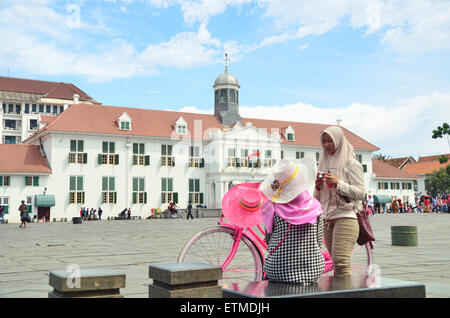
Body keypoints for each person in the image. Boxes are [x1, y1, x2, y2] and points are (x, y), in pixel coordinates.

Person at [258, 159, 325, 284]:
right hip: (312, 270)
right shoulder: (315, 208)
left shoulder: (272, 208)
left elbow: (268, 241)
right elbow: (318, 242)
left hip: (277, 271)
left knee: (267, 275)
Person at [314, 126, 365, 277]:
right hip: (328, 219)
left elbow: (361, 193)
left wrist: (338, 183)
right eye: (323, 141)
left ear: (339, 141)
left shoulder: (350, 163)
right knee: (336, 264)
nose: (326, 145)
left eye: (330, 141)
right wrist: (317, 186)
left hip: (346, 216)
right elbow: (316, 199)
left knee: (341, 263)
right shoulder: (323, 162)